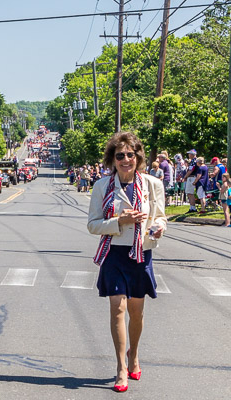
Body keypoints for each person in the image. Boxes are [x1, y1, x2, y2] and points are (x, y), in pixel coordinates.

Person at [87, 132, 166, 393]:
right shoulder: (101, 186)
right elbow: (93, 225)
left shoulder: (152, 184)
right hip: (114, 255)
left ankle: (134, 354)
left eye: (130, 154)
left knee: (136, 313)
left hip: (141, 254)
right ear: (113, 158)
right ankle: (121, 367)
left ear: (138, 157)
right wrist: (120, 221)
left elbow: (161, 218)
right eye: (120, 155)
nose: (125, 159)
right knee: (117, 309)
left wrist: (156, 228)